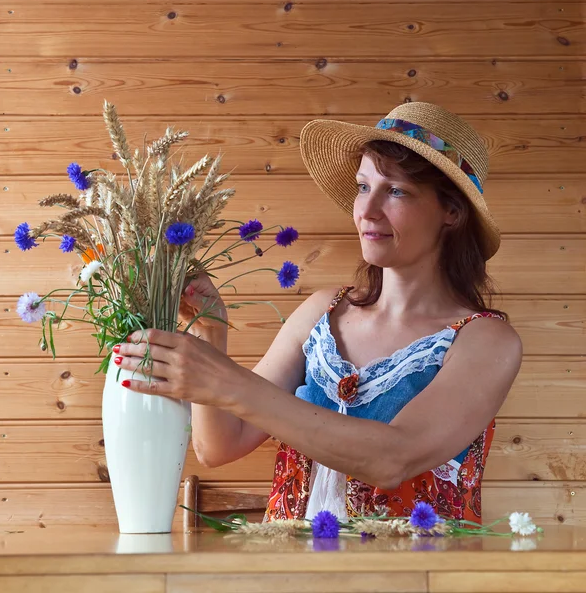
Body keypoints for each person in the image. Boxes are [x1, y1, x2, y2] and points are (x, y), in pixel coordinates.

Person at [113, 102, 523, 523]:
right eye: (363, 187)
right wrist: (211, 334)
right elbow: (219, 446)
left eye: (396, 190)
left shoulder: (486, 341)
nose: (366, 209)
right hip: (291, 577)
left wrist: (225, 380)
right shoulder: (321, 313)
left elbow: (393, 458)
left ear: (451, 212)